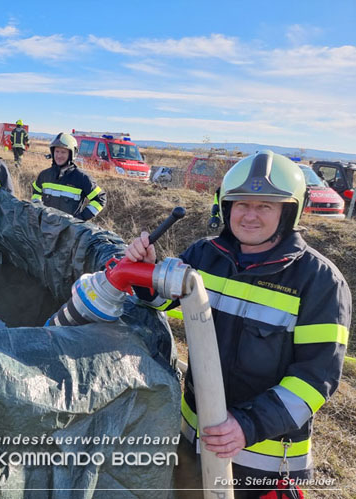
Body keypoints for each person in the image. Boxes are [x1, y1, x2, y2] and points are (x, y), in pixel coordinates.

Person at [125, 151, 351, 497]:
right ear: (225, 207)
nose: (250, 215)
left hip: (262, 466)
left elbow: (315, 378)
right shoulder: (204, 255)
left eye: (265, 206)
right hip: (193, 442)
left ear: (289, 212)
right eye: (241, 204)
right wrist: (146, 271)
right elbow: (159, 302)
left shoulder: (320, 283)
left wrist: (247, 426)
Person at [31, 133, 106, 221]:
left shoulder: (82, 178)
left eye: (63, 152)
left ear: (71, 154)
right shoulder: (44, 175)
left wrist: (80, 219)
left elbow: (100, 199)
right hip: (45, 227)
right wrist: (38, 211)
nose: (59, 156)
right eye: (57, 151)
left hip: (68, 232)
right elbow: (36, 193)